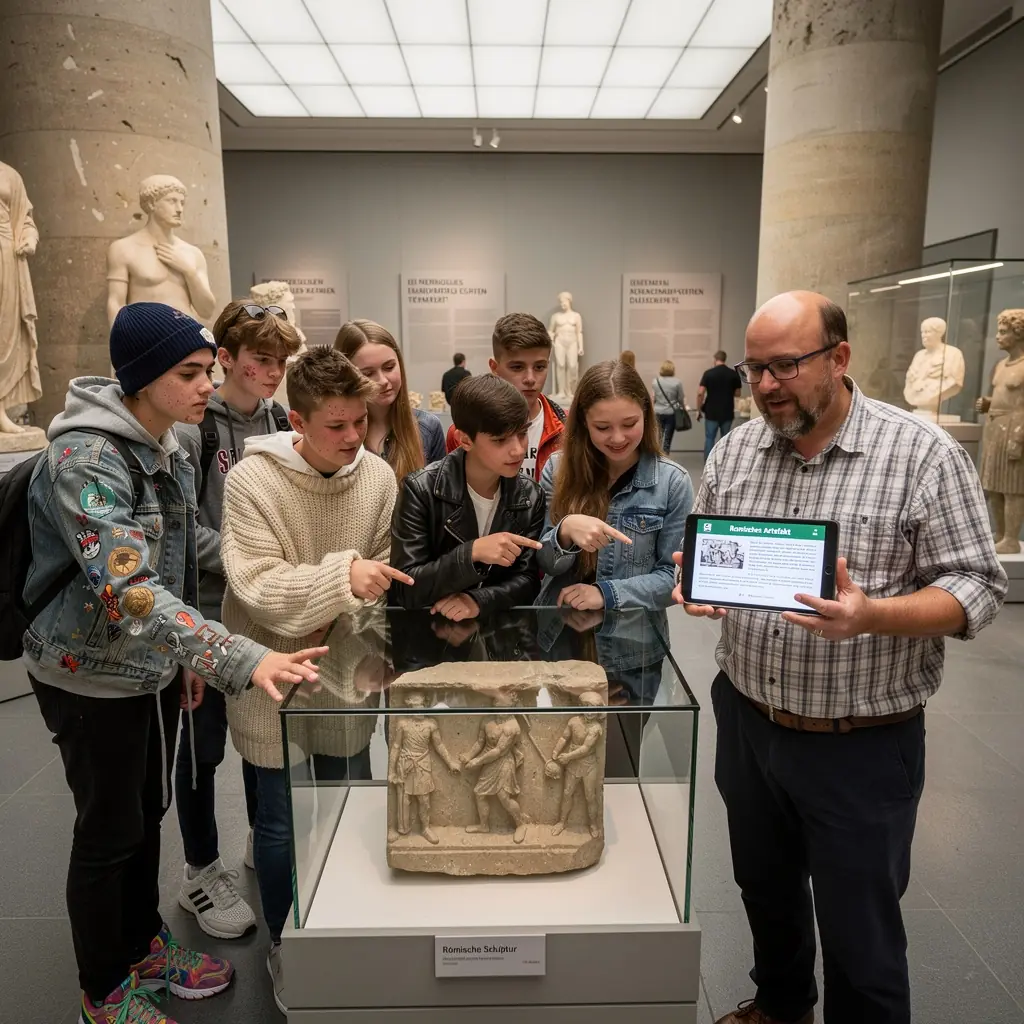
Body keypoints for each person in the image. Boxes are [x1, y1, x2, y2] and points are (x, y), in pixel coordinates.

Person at [673, 291, 1007, 1024]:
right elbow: (709, 545)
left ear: (839, 358)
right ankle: (782, 1004)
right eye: (754, 367)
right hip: (751, 718)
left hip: (860, 742)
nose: (764, 386)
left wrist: (872, 616)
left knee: (862, 935)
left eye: (785, 366)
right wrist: (696, 580)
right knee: (765, 889)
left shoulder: (921, 454)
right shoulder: (735, 450)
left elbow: (978, 587)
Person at [23, 302, 326, 1024]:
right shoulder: (86, 460)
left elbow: (182, 555)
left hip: (148, 669)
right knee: (107, 832)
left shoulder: (169, 446)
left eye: (208, 371)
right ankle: (103, 989)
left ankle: (143, 946)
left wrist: (195, 651)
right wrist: (239, 657)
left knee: (145, 817)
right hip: (87, 674)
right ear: (141, 378)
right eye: (189, 373)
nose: (206, 385)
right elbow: (130, 588)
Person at [219, 345, 410, 1012]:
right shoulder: (251, 483)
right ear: (297, 422)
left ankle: (344, 926)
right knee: (278, 824)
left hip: (348, 672)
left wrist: (352, 599)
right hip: (270, 682)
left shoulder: (378, 477)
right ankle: (286, 942)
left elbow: (385, 576)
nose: (354, 437)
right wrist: (342, 578)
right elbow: (258, 586)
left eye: (361, 421)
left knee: (348, 801)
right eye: (337, 425)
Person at [172, 300, 303, 939]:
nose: (273, 371)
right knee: (203, 747)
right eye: (260, 360)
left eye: (281, 360)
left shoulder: (282, 420)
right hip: (203, 610)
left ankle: (262, 835)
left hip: (260, 612)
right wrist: (246, 557)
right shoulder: (195, 428)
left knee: (259, 730)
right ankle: (200, 870)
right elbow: (179, 527)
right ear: (226, 358)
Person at [537, 360, 693, 611]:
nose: (618, 438)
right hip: (559, 633)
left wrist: (607, 593)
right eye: (602, 427)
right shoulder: (557, 470)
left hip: (633, 640)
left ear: (646, 413)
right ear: (584, 424)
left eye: (630, 424)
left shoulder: (672, 482)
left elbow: (672, 578)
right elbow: (544, 562)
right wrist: (564, 531)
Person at [392, 373, 545, 620]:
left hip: (500, 640)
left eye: (522, 433)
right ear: (464, 440)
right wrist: (471, 553)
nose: (518, 449)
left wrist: (478, 600)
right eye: (500, 440)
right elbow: (404, 587)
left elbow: (528, 581)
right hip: (430, 637)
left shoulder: (530, 494)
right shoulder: (421, 490)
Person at [445, 313, 565, 482]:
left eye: (539, 367)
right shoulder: (465, 432)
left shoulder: (568, 430)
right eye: (517, 367)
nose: (530, 378)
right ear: (494, 367)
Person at [335, 319, 445, 479]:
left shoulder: (427, 427)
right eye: (367, 373)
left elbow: (439, 499)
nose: (383, 381)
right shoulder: (334, 434)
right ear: (346, 376)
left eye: (389, 367)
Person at [697, 349, 743, 460]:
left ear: (715, 359)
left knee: (709, 438)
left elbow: (700, 393)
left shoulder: (708, 373)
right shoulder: (733, 374)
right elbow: (738, 393)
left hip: (711, 411)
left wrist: (699, 410)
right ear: (724, 359)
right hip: (727, 411)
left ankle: (708, 464)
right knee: (725, 439)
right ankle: (723, 463)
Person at [652, 359, 685, 452]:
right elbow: (680, 398)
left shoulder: (655, 381)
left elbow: (653, 398)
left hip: (657, 411)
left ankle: (656, 455)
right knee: (667, 438)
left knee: (658, 437)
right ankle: (665, 456)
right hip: (671, 412)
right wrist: (683, 408)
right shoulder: (677, 382)